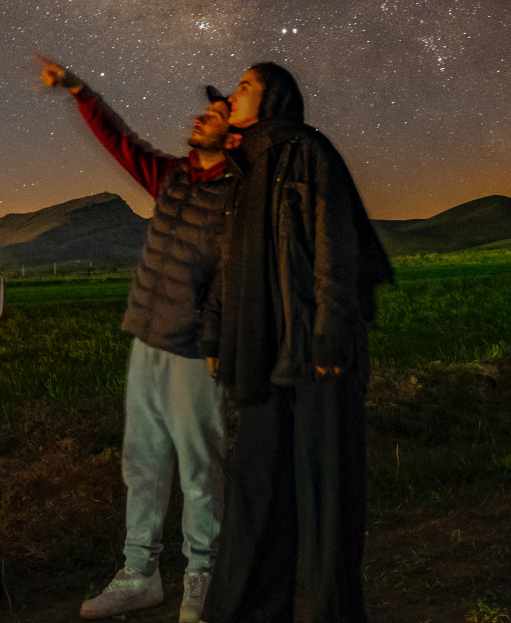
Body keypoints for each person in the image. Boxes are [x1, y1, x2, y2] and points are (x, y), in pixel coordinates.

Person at [38, 56, 238, 623]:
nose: (201, 117)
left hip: (195, 348)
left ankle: (202, 579)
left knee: (200, 467)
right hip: (146, 338)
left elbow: (232, 275)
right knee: (143, 463)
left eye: (216, 113)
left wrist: (218, 337)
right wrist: (80, 90)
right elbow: (120, 141)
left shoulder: (239, 195)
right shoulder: (173, 175)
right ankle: (139, 574)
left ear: (236, 131)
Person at [200, 62, 393, 623]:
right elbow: (227, 260)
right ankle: (250, 610)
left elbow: (336, 242)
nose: (232, 94)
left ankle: (331, 613)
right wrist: (216, 329)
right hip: (262, 352)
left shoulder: (309, 153)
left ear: (274, 97)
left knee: (326, 496)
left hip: (315, 351)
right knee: (256, 492)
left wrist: (332, 332)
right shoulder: (244, 168)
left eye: (244, 86)